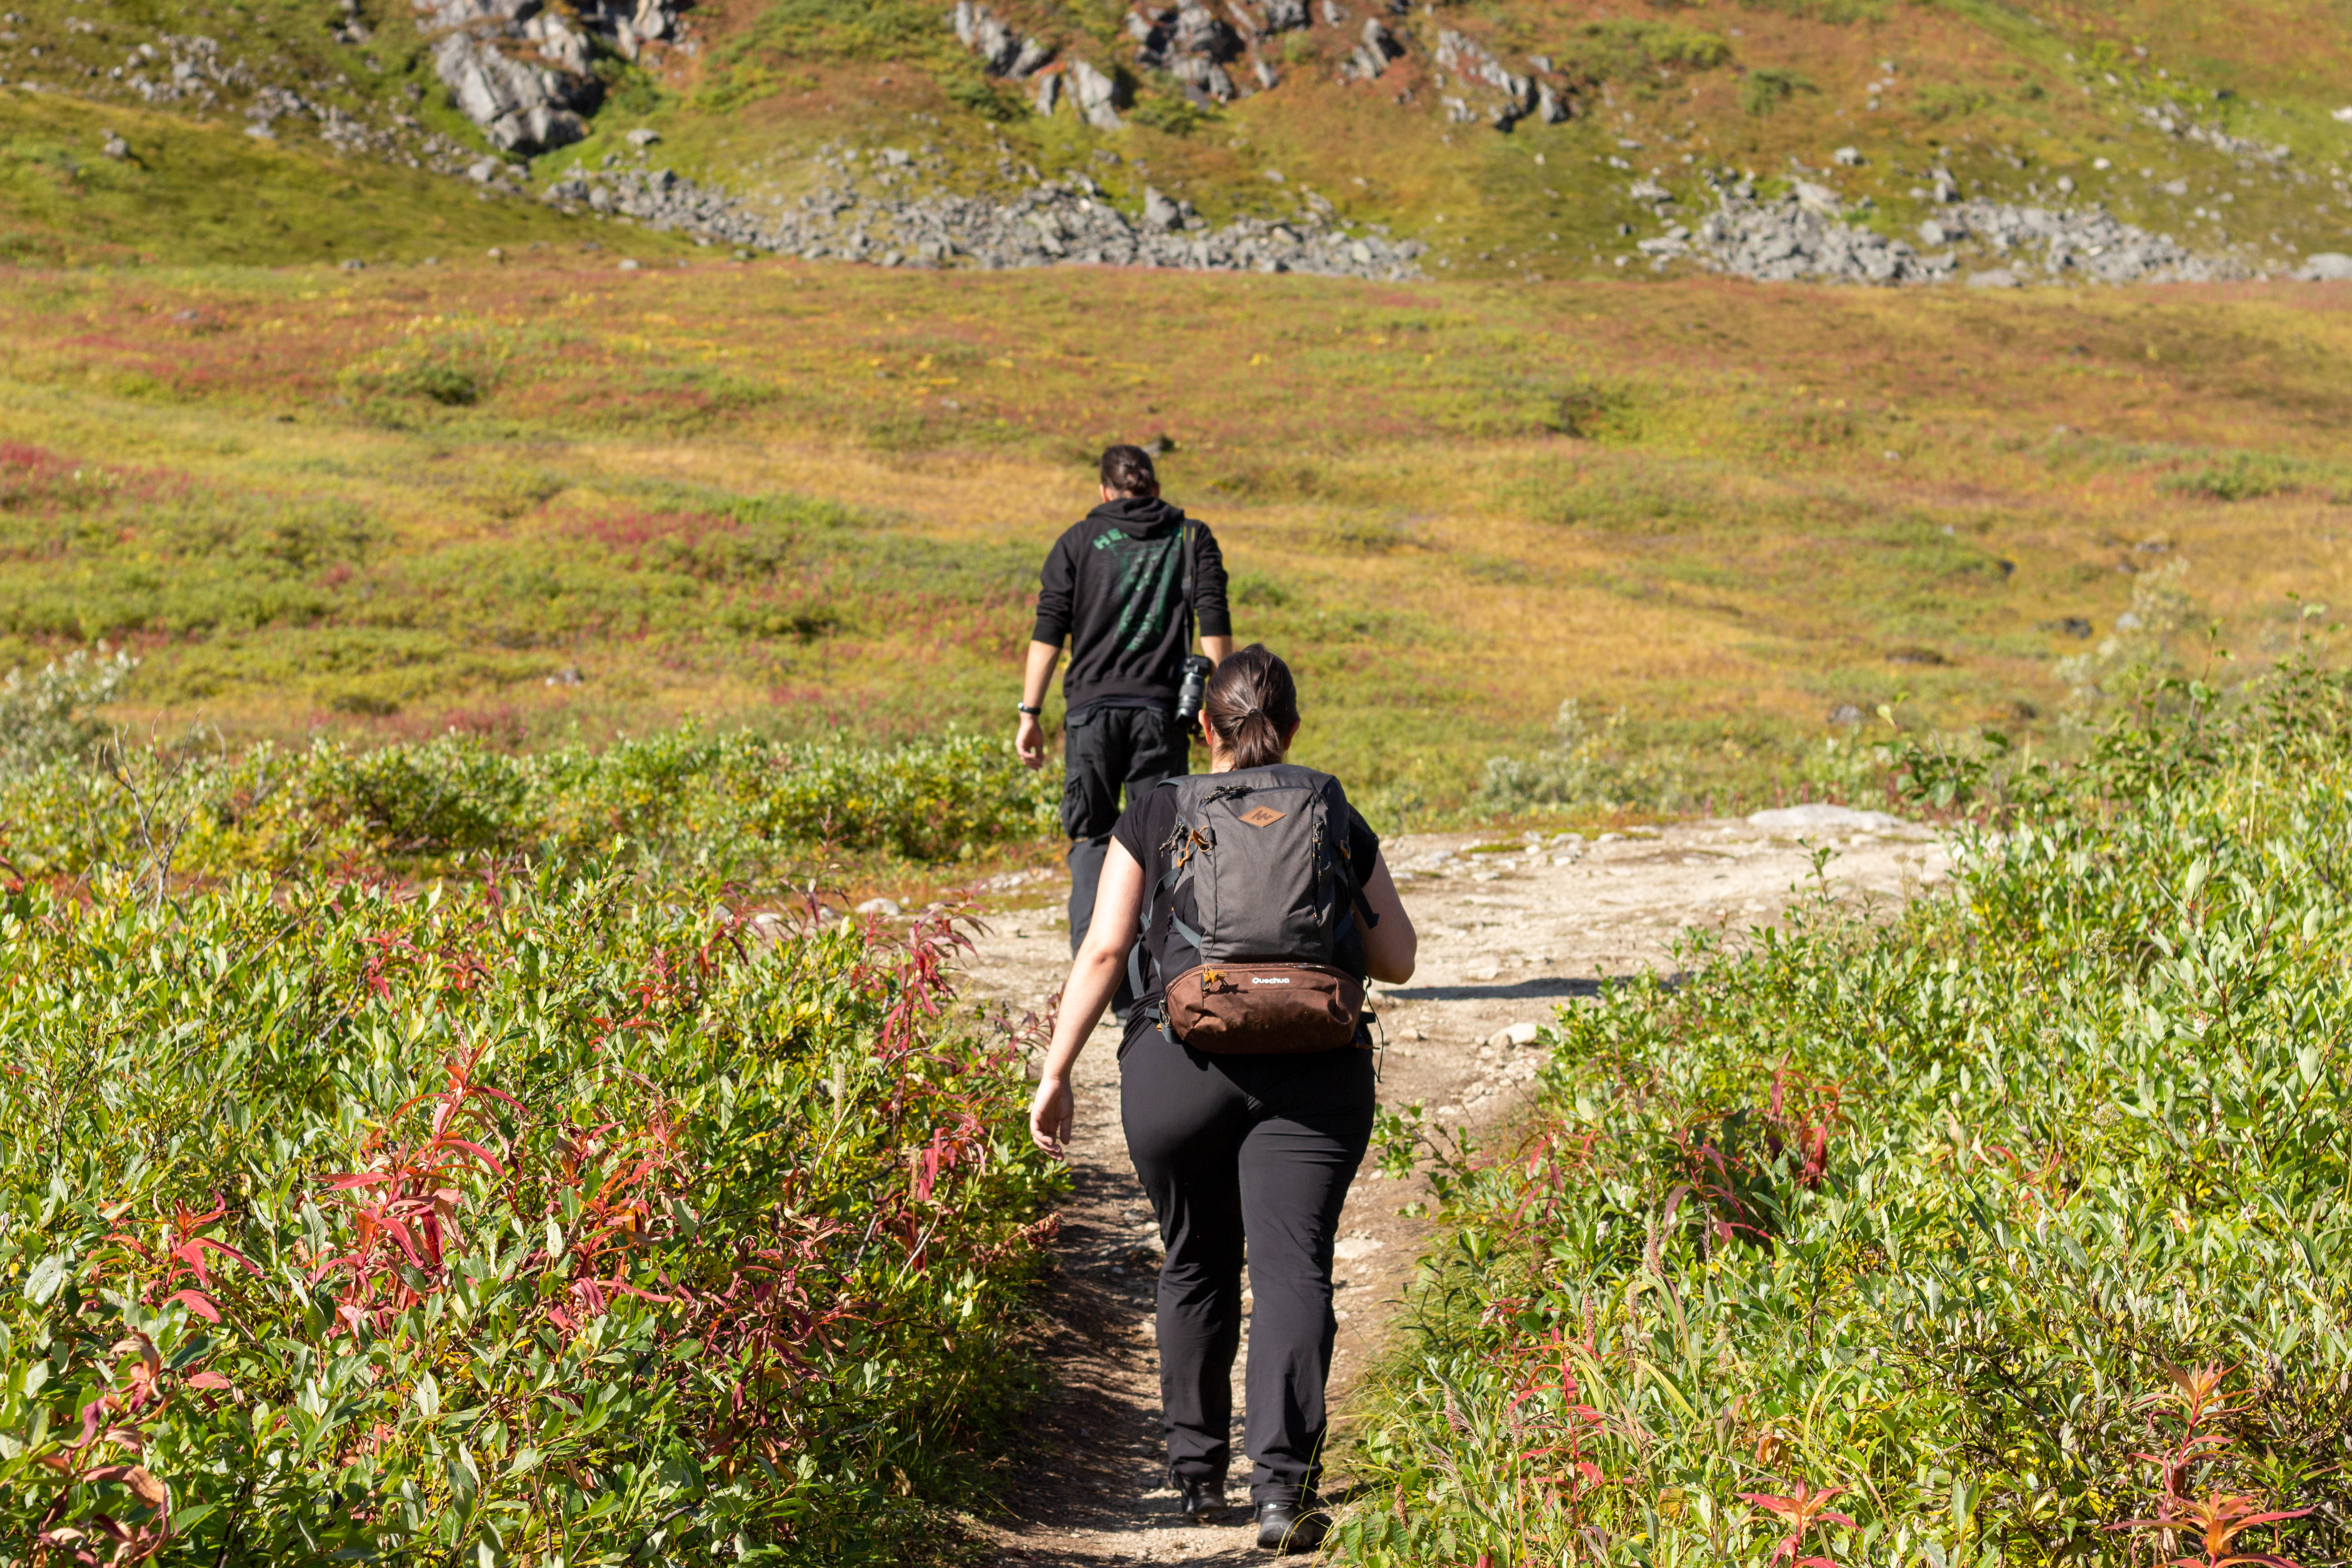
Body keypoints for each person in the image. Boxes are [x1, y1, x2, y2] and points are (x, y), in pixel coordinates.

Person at [1027, 646, 1419, 1555]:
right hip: (1316, 1068)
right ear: (1293, 726)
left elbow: (1101, 950)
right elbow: (1397, 958)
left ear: (1204, 724)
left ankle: (1195, 1478)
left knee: (1196, 1257)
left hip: (1177, 1070)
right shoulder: (1330, 805)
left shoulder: (1157, 805)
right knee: (1293, 1266)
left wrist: (1054, 1075)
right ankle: (1282, 1494)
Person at [1016, 445, 1232, 1016]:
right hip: (1161, 714)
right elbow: (1214, 619)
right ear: (1153, 487)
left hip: (1090, 713)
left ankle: (1098, 973)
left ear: (1105, 492)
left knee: (1092, 841)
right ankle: (1162, 978)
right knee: (1162, 845)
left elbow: (1048, 630)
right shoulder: (1190, 536)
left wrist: (1029, 712)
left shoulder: (1077, 542)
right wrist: (1223, 710)